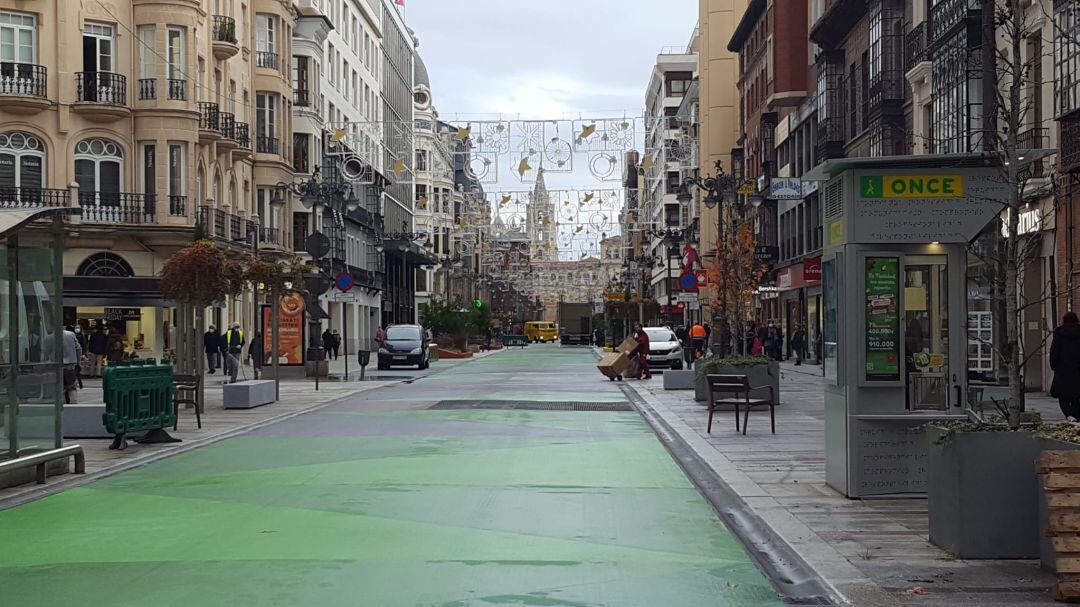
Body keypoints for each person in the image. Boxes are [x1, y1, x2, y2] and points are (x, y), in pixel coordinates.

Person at [1051, 312, 1080, 422]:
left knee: (1063, 396)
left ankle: (1069, 415)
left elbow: (1054, 351)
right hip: (1078, 369)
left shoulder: (1059, 332)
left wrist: (1054, 366)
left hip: (1063, 370)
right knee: (1077, 396)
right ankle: (1075, 415)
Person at [62, 325, 82, 404]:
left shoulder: (50, 336)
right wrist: (78, 362)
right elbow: (79, 349)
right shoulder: (71, 334)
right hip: (70, 365)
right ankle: (73, 403)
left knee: (59, 387)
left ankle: (62, 403)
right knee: (72, 386)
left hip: (56, 366)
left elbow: (45, 352)